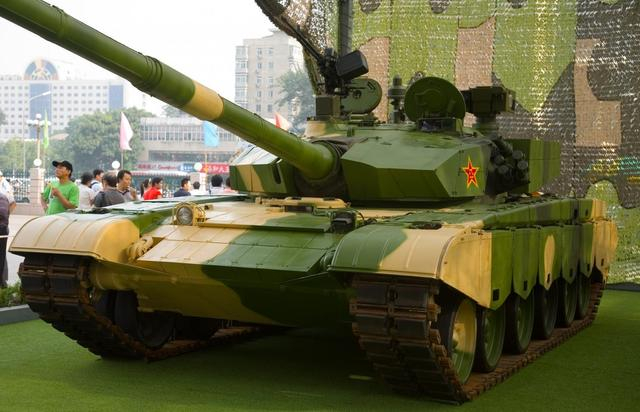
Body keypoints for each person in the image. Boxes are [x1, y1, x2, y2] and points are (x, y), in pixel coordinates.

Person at [0, 192, 16, 288]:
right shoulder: (3, 196)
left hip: (2, 228)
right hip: (3, 228)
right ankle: (2, 282)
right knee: (2, 256)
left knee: (1, 256)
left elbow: (13, 204)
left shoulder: (3, 195)